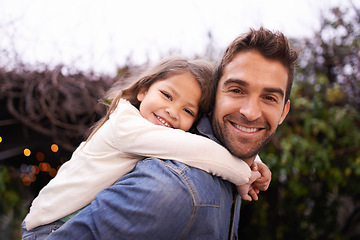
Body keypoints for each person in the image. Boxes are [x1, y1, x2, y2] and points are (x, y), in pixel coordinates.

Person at [46, 27, 296, 240]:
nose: (251, 112)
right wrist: (244, 173)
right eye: (236, 90)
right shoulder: (173, 187)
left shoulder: (220, 160)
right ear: (215, 98)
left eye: (269, 97)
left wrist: (250, 166)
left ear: (283, 112)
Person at [21, 56, 267, 240]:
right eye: (167, 95)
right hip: (50, 228)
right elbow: (196, 150)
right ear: (143, 90)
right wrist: (244, 173)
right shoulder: (126, 125)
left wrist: (253, 160)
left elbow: (201, 144)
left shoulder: (152, 133)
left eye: (188, 110)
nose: (172, 111)